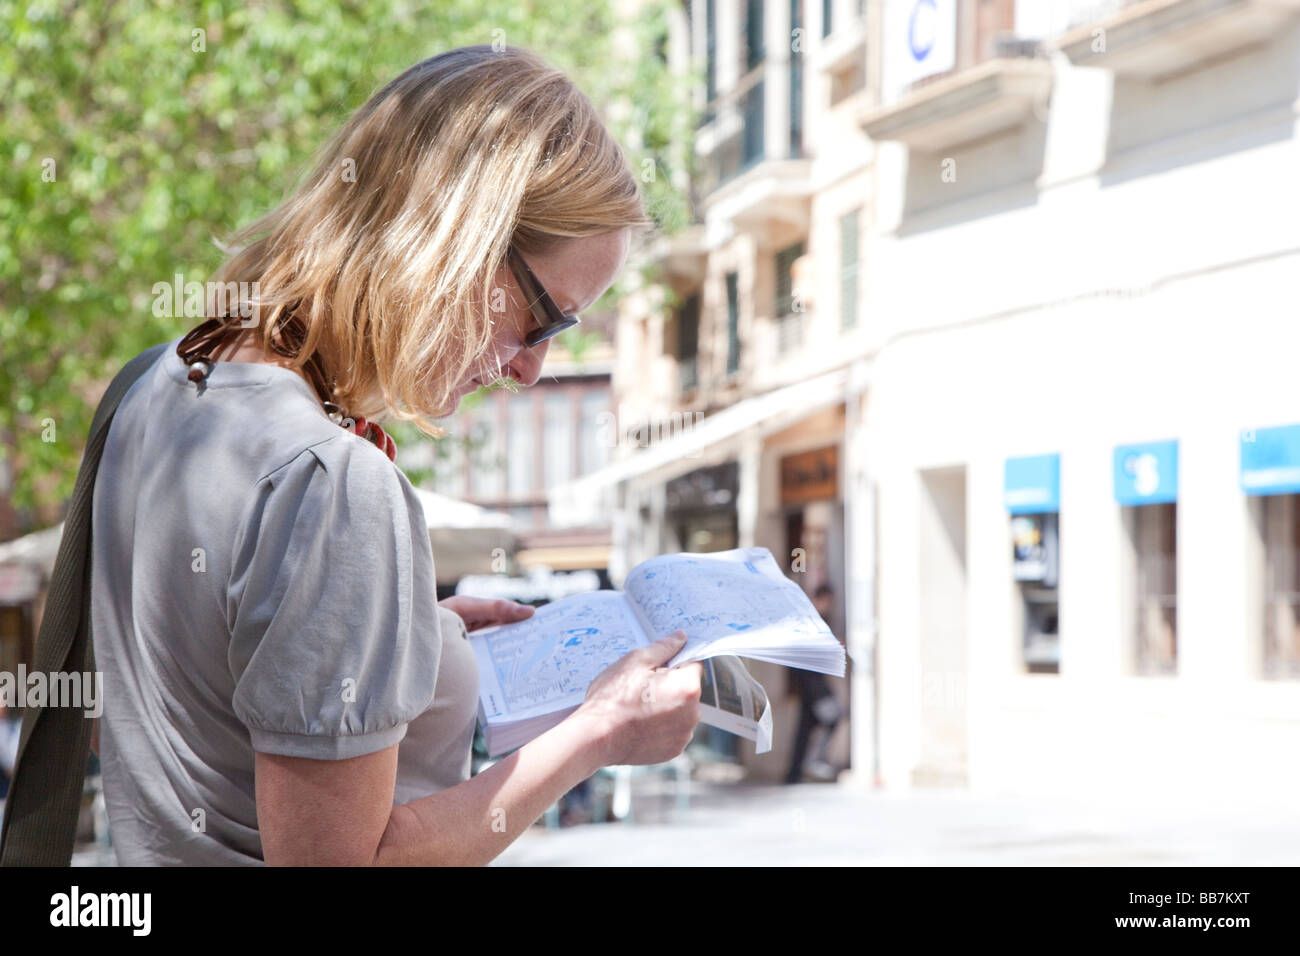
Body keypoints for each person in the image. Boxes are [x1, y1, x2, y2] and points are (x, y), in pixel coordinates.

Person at [88, 45, 703, 866]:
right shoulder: (332, 484)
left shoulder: (161, 382)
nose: (531, 369)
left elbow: (209, 676)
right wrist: (599, 732)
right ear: (454, 240)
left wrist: (408, 635)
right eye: (545, 319)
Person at [784, 584, 844, 784]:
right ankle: (809, 765)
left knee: (805, 731)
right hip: (812, 685)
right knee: (829, 719)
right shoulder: (811, 622)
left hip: (812, 685)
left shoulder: (816, 620)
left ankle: (796, 772)